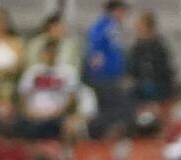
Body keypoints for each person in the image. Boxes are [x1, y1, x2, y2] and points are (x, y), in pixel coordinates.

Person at [14, 37, 79, 138]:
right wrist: (29, 112)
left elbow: (71, 98)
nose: (50, 55)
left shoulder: (68, 72)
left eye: (53, 52)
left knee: (70, 126)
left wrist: (58, 112)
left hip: (58, 116)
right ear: (43, 54)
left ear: (57, 54)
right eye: (48, 52)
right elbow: (23, 96)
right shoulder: (32, 72)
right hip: (34, 114)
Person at [82, 0, 128, 132]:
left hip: (111, 77)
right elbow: (95, 54)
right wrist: (99, 74)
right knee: (109, 110)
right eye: (122, 11)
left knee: (114, 109)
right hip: (105, 78)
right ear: (115, 11)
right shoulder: (103, 27)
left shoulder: (112, 27)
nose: (123, 15)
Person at [126, 10, 172, 104]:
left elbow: (160, 70)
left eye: (140, 26)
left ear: (148, 28)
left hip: (155, 89)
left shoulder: (157, 47)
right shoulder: (136, 46)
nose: (137, 29)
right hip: (139, 88)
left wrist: (139, 81)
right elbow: (132, 67)